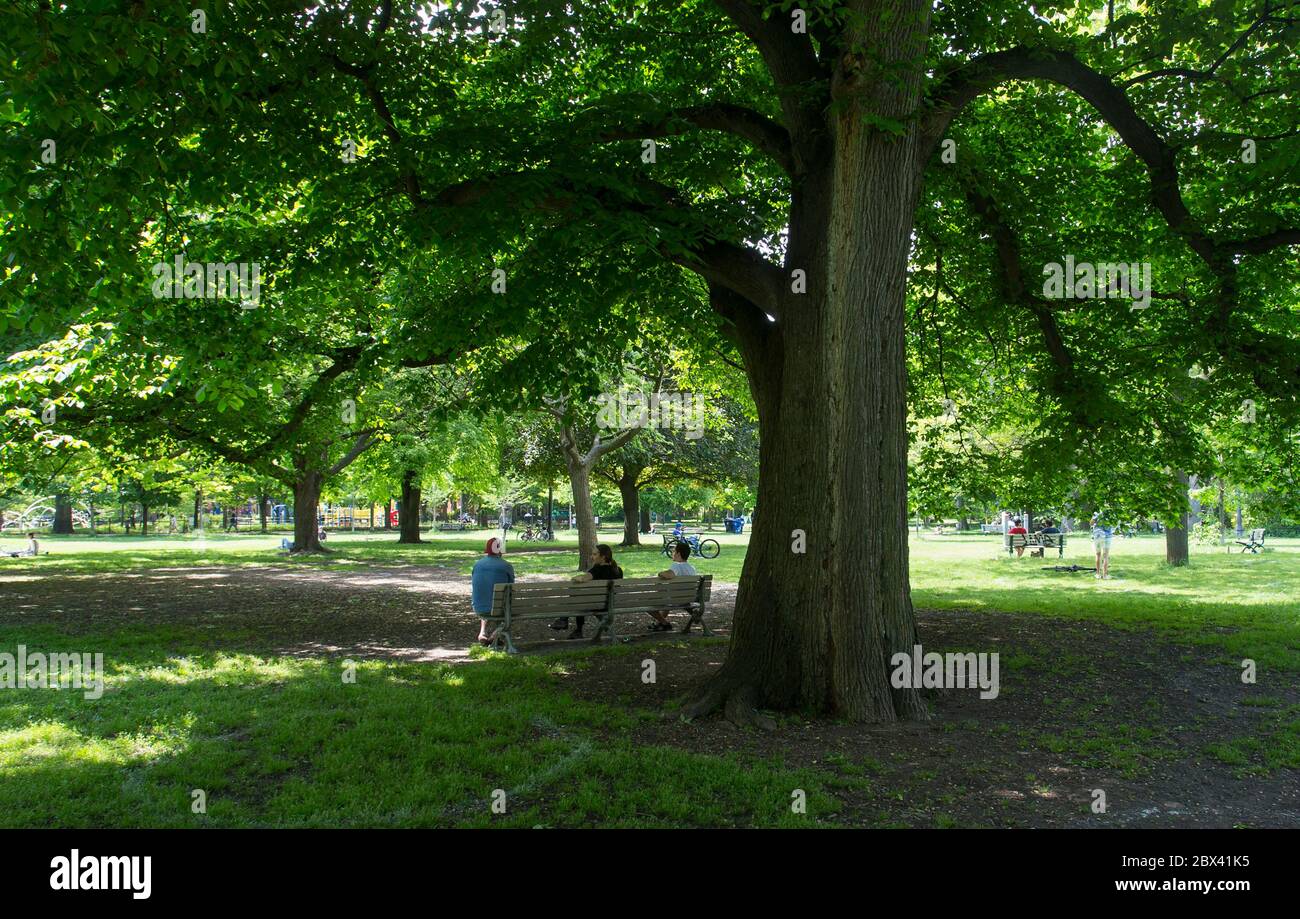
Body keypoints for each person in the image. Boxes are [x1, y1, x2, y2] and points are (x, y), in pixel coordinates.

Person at [557, 544, 623, 640]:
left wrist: (574, 578)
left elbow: (583, 578)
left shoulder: (597, 569)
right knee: (581, 599)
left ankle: (570, 624)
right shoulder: (618, 570)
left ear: (603, 557)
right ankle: (567, 622)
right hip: (610, 604)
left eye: (595, 554)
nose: (592, 557)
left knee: (578, 597)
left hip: (597, 605)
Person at [471, 538, 516, 646]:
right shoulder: (506, 566)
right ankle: (493, 637)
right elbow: (511, 588)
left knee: (489, 601)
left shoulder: (477, 565)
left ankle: (482, 632)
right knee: (506, 610)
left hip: (479, 607)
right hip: (499, 608)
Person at [648, 541, 696, 631]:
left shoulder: (676, 565)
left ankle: (664, 623)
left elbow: (669, 575)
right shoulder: (692, 568)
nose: (672, 553)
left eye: (674, 551)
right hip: (688, 598)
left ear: (678, 553)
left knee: (648, 603)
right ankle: (659, 623)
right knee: (667, 597)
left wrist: (660, 573)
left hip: (676, 600)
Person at [1090, 511, 1114, 579]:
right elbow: (1115, 525)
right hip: (1107, 536)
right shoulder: (1112, 513)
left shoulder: (1097, 513)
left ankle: (1097, 574)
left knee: (1098, 555)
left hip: (1097, 536)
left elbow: (1091, 523)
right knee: (1105, 556)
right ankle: (1105, 575)